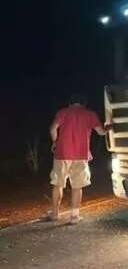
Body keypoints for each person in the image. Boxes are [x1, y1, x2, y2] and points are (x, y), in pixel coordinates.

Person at [48, 94, 111, 224]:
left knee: (57, 184)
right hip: (81, 155)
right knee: (77, 186)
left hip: (62, 154)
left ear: (69, 103)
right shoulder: (90, 114)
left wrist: (54, 142)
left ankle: (55, 214)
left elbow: (53, 128)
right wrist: (109, 128)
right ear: (84, 104)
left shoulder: (62, 112)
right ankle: (74, 217)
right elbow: (101, 132)